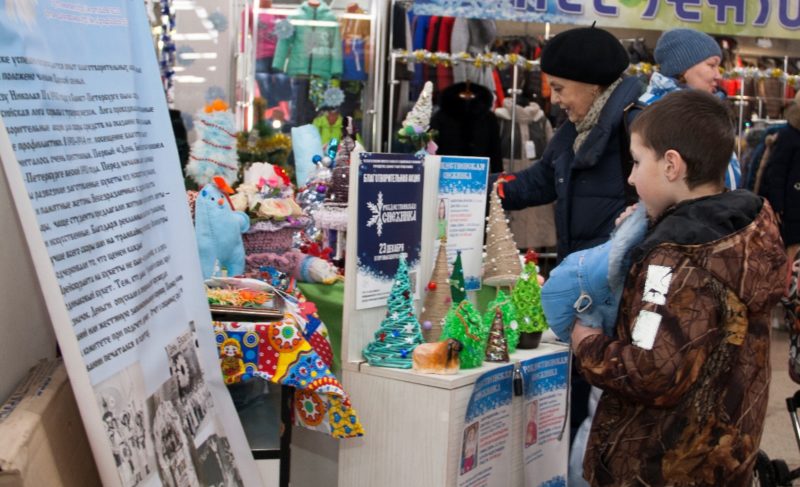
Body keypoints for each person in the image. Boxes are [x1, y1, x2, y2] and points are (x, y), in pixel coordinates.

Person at [571, 90, 787, 487]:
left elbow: (653, 370)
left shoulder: (673, 257)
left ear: (672, 165)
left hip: (660, 465)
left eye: (636, 163)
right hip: (723, 457)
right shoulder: (746, 227)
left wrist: (587, 344)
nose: (631, 177)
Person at [497, 25, 643, 443]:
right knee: (577, 408)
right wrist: (488, 187)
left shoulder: (635, 125)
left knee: (602, 418)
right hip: (581, 292)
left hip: (616, 301)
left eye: (560, 87)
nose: (554, 98)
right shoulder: (572, 131)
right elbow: (541, 181)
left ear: (593, 84)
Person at [639, 28, 742, 189]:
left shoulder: (703, 109)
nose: (718, 75)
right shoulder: (654, 112)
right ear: (682, 68)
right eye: (712, 65)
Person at [759, 91, 800, 265]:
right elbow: (777, 172)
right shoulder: (789, 135)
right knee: (791, 252)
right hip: (792, 208)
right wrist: (777, 204)